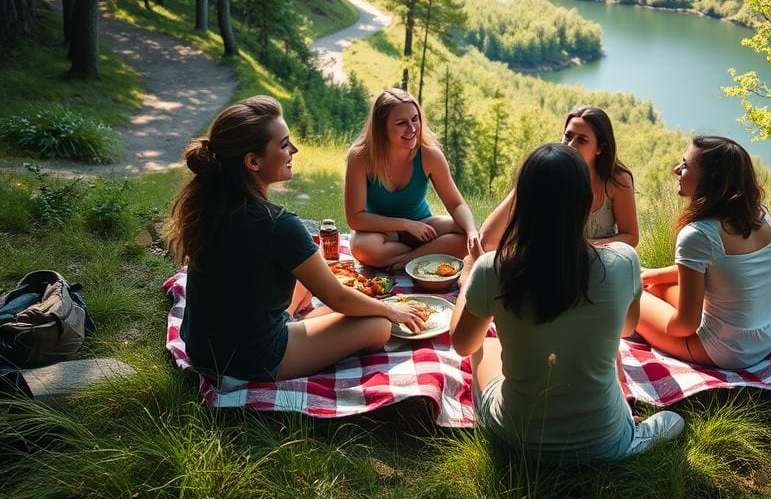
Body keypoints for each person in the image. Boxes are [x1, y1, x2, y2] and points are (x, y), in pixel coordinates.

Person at [451, 143, 684, 463]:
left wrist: (468, 276)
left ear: (522, 205)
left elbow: (463, 344)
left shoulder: (493, 268)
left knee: (483, 347)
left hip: (517, 440)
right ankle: (636, 435)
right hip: (606, 443)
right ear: (587, 204)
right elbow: (628, 328)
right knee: (674, 420)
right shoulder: (623, 261)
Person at [167, 96, 425, 382]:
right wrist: (390, 309)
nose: (294, 149)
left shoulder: (210, 204)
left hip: (202, 346)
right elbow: (338, 297)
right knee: (378, 326)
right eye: (283, 144)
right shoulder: (279, 225)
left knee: (309, 275)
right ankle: (310, 335)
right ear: (253, 161)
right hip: (251, 359)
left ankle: (307, 331)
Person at [634, 135, 771, 370]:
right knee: (656, 287)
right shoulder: (760, 217)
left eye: (685, 165)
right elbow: (719, 271)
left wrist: (639, 307)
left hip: (728, 351)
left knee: (628, 293)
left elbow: (684, 325)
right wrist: (651, 276)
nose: (676, 169)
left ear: (710, 180)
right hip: (767, 337)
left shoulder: (699, 234)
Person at [345, 88, 480, 269]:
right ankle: (424, 257)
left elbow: (457, 205)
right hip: (380, 233)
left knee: (467, 235)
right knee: (362, 247)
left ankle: (405, 262)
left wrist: (471, 232)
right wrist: (406, 225)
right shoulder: (360, 157)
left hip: (424, 228)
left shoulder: (430, 155)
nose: (412, 129)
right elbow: (355, 218)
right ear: (381, 128)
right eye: (401, 123)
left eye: (415, 119)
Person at [477, 106, 639, 253]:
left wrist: (593, 247)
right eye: (568, 136)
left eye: (582, 140)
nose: (570, 145)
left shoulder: (617, 181)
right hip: (554, 264)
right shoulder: (547, 173)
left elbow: (631, 236)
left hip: (601, 261)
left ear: (600, 148)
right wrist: (530, 177)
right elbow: (487, 240)